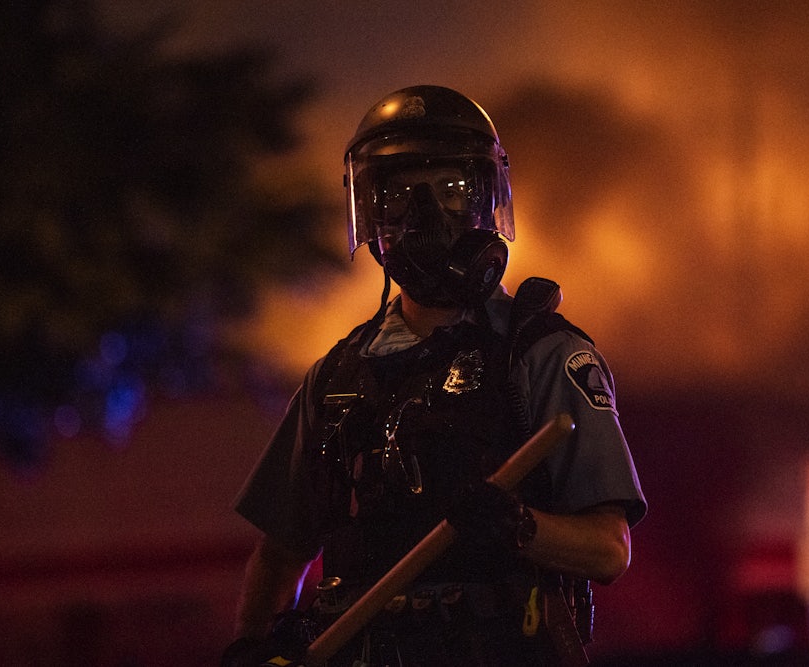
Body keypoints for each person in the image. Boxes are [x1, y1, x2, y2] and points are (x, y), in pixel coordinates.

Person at [225, 85, 647, 666]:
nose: (424, 217)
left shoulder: (539, 356)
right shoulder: (337, 376)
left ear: (484, 199)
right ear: (371, 210)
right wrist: (253, 647)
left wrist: (517, 525)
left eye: (450, 190)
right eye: (397, 194)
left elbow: (609, 550)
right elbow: (279, 554)